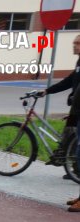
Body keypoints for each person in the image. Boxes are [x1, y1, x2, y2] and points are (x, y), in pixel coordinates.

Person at [38, 35, 80, 166]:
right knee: (70, 134)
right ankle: (71, 166)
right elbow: (68, 81)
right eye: (74, 43)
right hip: (76, 107)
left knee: (77, 137)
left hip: (78, 107)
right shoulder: (79, 63)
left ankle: (77, 169)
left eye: (78, 43)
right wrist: (47, 91)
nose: (74, 46)